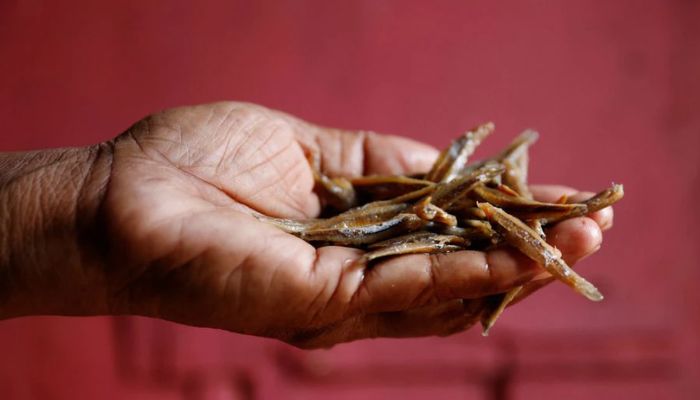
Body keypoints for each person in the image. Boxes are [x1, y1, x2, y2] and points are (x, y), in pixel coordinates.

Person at [0, 102, 612, 348]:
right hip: (356, 223)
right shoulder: (384, 207)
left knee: (562, 229)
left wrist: (94, 198)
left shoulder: (473, 204)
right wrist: (100, 193)